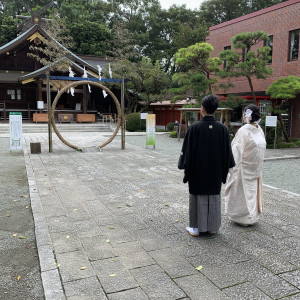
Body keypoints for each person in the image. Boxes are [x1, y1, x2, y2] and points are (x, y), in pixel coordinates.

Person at [178, 95, 235, 236]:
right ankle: (213, 227)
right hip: (215, 171)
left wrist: (185, 167)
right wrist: (225, 168)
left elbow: (187, 152)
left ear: (202, 108)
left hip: (198, 171)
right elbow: (227, 153)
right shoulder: (222, 129)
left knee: (197, 197)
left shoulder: (194, 128)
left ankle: (196, 228)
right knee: (214, 197)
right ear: (215, 110)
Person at [225, 104, 266, 226]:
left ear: (247, 115)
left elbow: (236, 150)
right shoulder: (259, 130)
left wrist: (231, 168)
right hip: (255, 167)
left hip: (244, 167)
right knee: (251, 192)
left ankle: (242, 217)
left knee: (241, 192)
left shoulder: (244, 130)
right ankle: (252, 216)